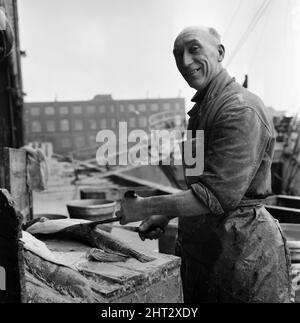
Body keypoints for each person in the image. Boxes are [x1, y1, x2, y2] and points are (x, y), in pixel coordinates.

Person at [118, 25, 292, 303]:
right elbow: (198, 184)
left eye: (194, 49)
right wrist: (166, 214)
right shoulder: (202, 111)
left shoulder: (238, 109)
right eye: (177, 54)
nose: (185, 61)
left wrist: (145, 207)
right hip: (207, 251)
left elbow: (214, 197)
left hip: (241, 253)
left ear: (220, 52)